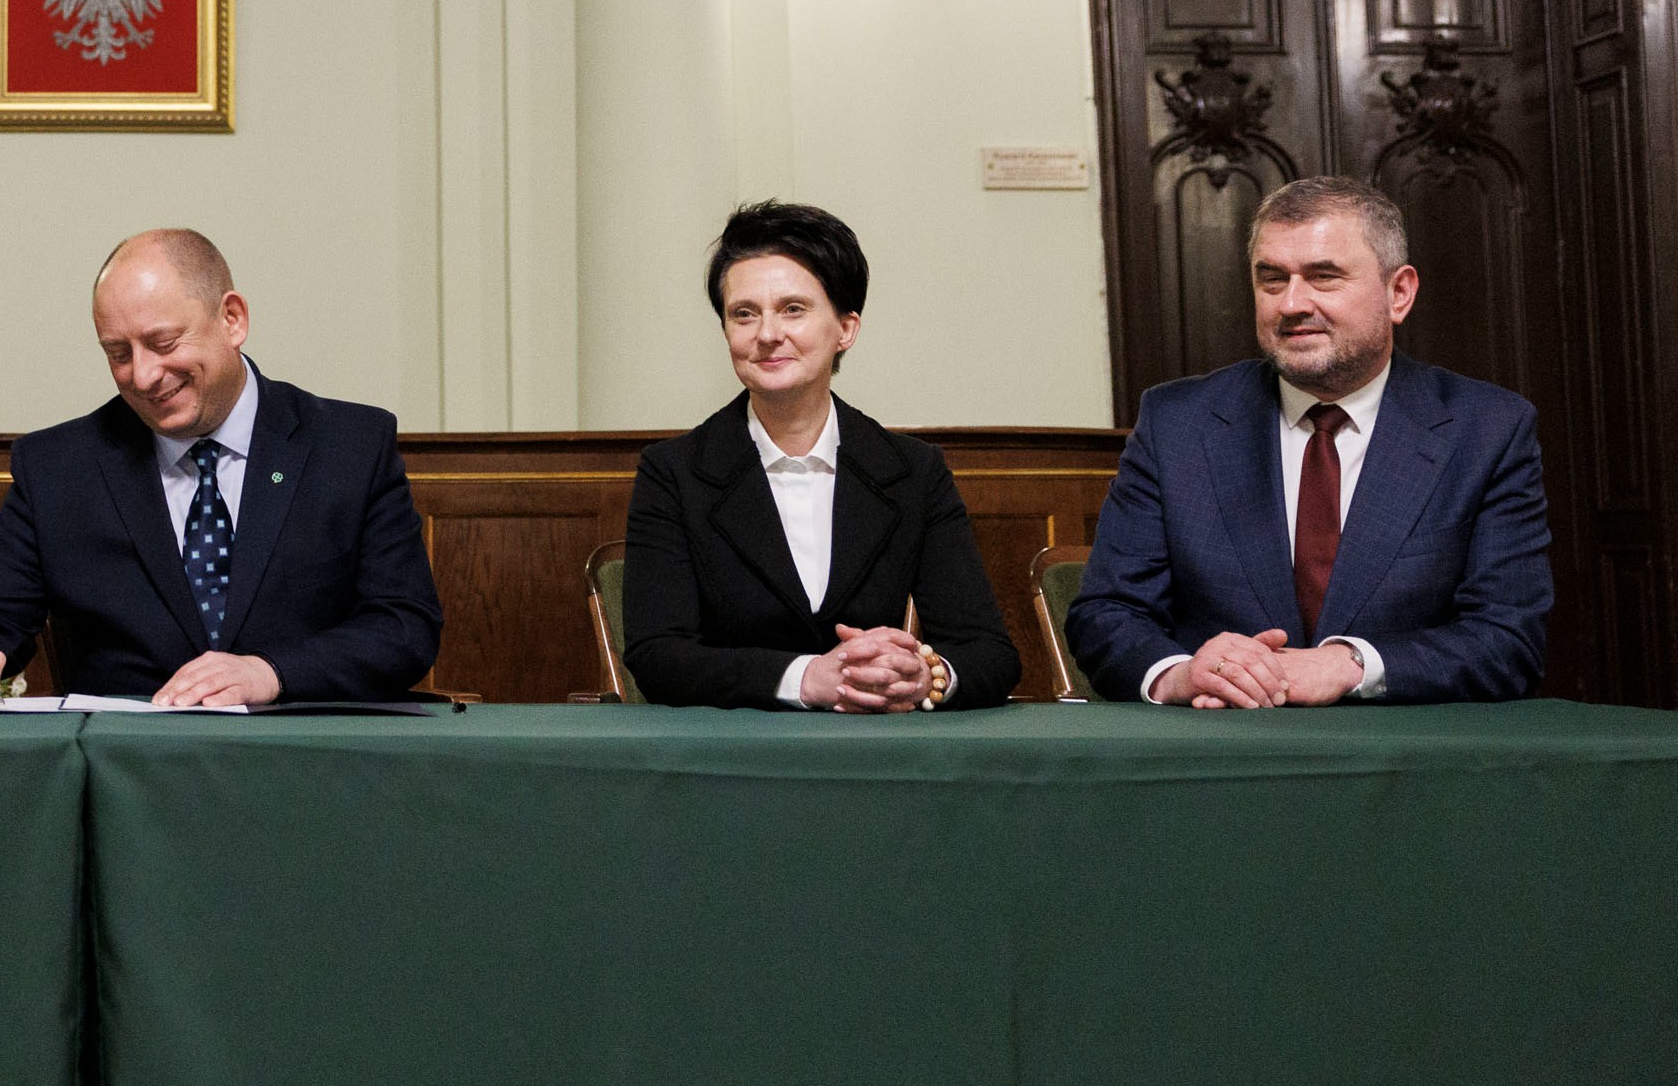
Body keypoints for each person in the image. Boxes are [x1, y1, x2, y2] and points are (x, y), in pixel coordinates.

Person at [1068, 177, 1552, 706]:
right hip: (1224, 739)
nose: (1292, 303)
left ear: (1399, 293)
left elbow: (1508, 639)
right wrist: (1181, 675)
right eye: (1272, 280)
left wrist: (1349, 665)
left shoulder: (1486, 431)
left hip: (1402, 745)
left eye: (1324, 277)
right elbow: (1107, 613)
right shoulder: (1178, 424)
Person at [0, 229, 441, 707]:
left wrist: (270, 673)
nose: (143, 376)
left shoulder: (348, 447)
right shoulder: (60, 468)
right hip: (126, 762)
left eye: (163, 344)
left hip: (304, 755)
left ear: (232, 319)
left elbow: (404, 627)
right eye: (118, 354)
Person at [621, 201, 1022, 711]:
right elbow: (658, 656)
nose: (767, 334)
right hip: (732, 749)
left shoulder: (912, 470)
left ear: (845, 328)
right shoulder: (674, 472)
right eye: (744, 314)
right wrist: (804, 678)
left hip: (875, 746)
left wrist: (925, 677)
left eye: (793, 309)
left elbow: (989, 652)